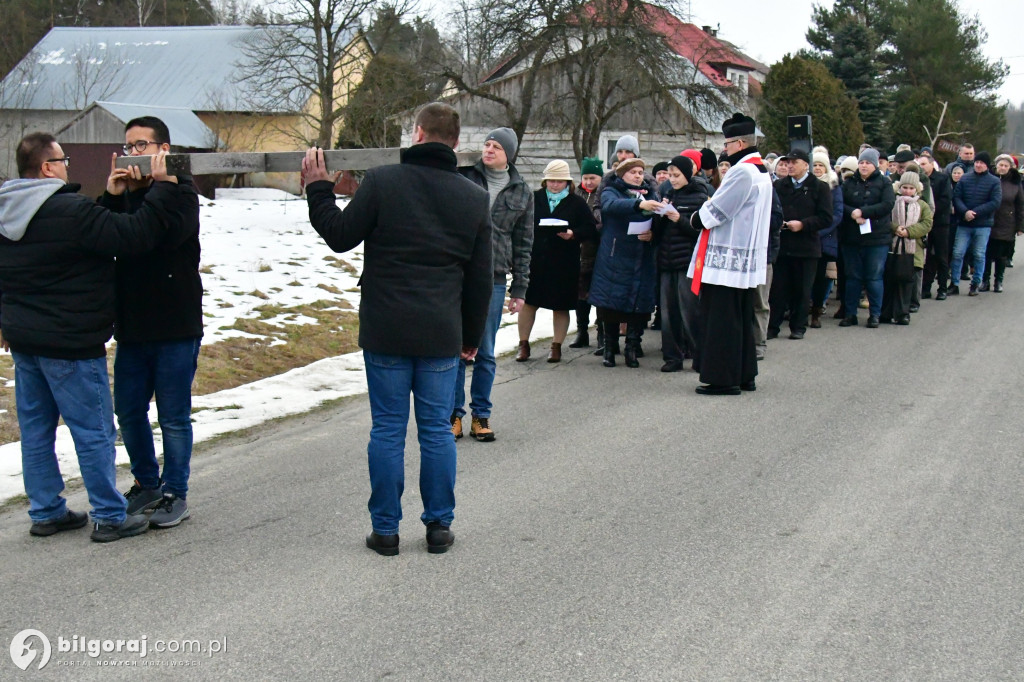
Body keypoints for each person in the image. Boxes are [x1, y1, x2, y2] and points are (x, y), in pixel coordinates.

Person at [303, 102, 492, 556]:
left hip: (386, 326)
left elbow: (340, 234)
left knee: (387, 430)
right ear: (456, 141)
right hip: (441, 330)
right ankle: (439, 528)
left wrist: (318, 189)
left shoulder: (384, 181)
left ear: (417, 132)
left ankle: (386, 530)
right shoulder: (473, 198)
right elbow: (480, 279)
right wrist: (470, 337)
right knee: (435, 429)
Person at [0, 132, 183, 542]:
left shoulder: (6, 210)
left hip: (25, 342)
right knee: (94, 431)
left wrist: (111, 197)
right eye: (63, 159)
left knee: (35, 430)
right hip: (71, 343)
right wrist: (165, 189)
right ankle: (109, 515)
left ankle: (46, 510)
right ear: (48, 168)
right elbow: (134, 236)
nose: (67, 166)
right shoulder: (70, 210)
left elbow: (83, 238)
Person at [97, 116, 202, 529]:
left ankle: (176, 491)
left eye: (141, 145)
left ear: (164, 150)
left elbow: (165, 236)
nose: (133, 153)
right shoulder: (125, 196)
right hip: (133, 325)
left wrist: (161, 186)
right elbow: (101, 236)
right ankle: (147, 482)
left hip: (175, 323)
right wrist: (111, 196)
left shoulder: (183, 193)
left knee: (173, 415)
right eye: (128, 145)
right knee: (128, 410)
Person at [453, 127, 534, 442]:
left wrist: (520, 290)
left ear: (508, 154)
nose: (488, 150)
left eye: (496, 146)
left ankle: (480, 417)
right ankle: (453, 416)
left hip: (493, 278)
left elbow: (524, 244)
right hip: (457, 271)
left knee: (484, 351)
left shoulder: (521, 192)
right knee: (457, 348)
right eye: (486, 144)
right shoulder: (464, 177)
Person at [688, 113, 773, 395]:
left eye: (726, 145)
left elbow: (720, 209)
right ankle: (744, 373)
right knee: (739, 317)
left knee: (721, 320)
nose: (724, 150)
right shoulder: (761, 170)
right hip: (745, 256)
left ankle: (723, 379)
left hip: (727, 258)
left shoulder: (742, 171)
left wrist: (695, 219)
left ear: (738, 143)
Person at [516, 160, 597, 362]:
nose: (554, 185)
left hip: (564, 262)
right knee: (529, 303)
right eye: (551, 180)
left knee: (560, 306)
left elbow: (591, 229)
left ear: (567, 182)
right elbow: (520, 225)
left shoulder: (576, 202)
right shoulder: (534, 199)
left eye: (559, 181)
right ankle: (523, 345)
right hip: (535, 260)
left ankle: (556, 346)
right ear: (545, 181)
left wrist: (573, 233)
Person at [589, 158, 660, 368]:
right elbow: (610, 207)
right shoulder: (611, 190)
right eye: (633, 172)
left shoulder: (650, 193)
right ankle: (610, 349)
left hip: (641, 256)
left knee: (638, 305)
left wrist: (653, 233)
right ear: (622, 175)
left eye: (640, 172)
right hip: (615, 256)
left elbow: (659, 219)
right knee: (611, 304)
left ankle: (632, 348)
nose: (638, 175)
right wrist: (639, 204)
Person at [768, 148, 833, 340]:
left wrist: (804, 225)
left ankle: (798, 326)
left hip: (806, 247)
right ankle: (772, 326)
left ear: (806, 165)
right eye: (787, 162)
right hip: (783, 245)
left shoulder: (819, 187)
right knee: (778, 289)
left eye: (794, 162)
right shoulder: (779, 186)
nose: (789, 165)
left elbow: (826, 217)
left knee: (802, 290)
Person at [652, 155, 708, 372]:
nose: (672, 180)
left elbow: (700, 232)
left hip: (688, 261)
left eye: (677, 175)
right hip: (666, 261)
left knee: (691, 311)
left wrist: (679, 219)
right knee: (668, 312)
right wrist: (660, 214)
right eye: (670, 175)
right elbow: (659, 232)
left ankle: (699, 355)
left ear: (688, 174)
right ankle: (672, 357)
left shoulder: (699, 196)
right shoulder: (668, 193)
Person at [837, 148, 896, 328]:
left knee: (874, 277)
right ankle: (850, 313)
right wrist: (853, 213)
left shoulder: (884, 183)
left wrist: (864, 212)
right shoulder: (848, 183)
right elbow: (840, 203)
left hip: (877, 238)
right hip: (852, 237)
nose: (864, 165)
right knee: (852, 277)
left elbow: (887, 204)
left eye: (868, 163)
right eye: (862, 162)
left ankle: (875, 314)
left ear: (875, 165)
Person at [881, 172, 932, 324]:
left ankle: (903, 313)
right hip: (892, 246)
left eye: (911, 188)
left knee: (906, 281)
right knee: (889, 280)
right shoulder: (893, 202)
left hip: (912, 249)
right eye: (904, 187)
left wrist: (909, 231)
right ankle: (886, 312)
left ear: (917, 189)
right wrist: (896, 228)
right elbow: (885, 218)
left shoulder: (922, 205)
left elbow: (927, 223)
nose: (907, 191)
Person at [950, 151, 1001, 296]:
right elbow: (957, 197)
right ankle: (954, 283)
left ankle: (976, 283)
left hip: (983, 224)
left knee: (979, 254)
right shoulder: (965, 179)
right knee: (958, 253)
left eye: (982, 163)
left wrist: (975, 212)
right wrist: (965, 212)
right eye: (977, 162)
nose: (978, 165)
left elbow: (995, 202)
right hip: (964, 223)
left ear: (987, 165)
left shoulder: (994, 181)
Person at [569, 156, 603, 349]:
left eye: (593, 178)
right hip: (578, 251)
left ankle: (601, 333)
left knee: (597, 293)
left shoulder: (603, 195)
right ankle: (582, 331)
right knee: (580, 294)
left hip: (597, 250)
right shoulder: (576, 195)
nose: (589, 182)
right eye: (586, 178)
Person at [980, 154, 1023, 292]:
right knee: (986, 252)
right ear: (996, 165)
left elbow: (1020, 205)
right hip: (988, 220)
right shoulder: (988, 179)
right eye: (1000, 165)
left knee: (1001, 254)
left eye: (1006, 166)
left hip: (1007, 222)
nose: (1002, 168)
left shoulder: (1016, 183)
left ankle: (998, 281)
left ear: (1010, 168)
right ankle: (984, 281)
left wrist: (1020, 226)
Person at [810, 147, 842, 326]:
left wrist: (818, 229)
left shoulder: (834, 187)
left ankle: (816, 310)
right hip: (807, 237)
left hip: (824, 238)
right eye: (814, 165)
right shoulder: (807, 185)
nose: (817, 168)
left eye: (821, 165)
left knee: (821, 278)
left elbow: (837, 213)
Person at [919, 155, 952, 300]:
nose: (922, 167)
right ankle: (925, 287)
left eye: (924, 164)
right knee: (926, 258)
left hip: (940, 223)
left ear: (932, 164)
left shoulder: (942, 179)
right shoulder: (919, 179)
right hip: (924, 224)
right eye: (920, 164)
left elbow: (945, 200)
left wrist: (929, 212)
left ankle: (942, 288)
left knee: (941, 256)